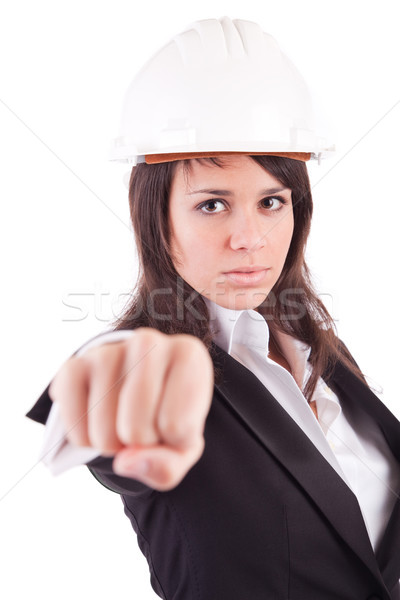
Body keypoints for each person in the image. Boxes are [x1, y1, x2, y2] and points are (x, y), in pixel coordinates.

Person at [27, 17, 400, 599]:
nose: (249, 237)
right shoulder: (149, 366)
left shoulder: (314, 345)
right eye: (212, 205)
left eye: (271, 201)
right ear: (158, 217)